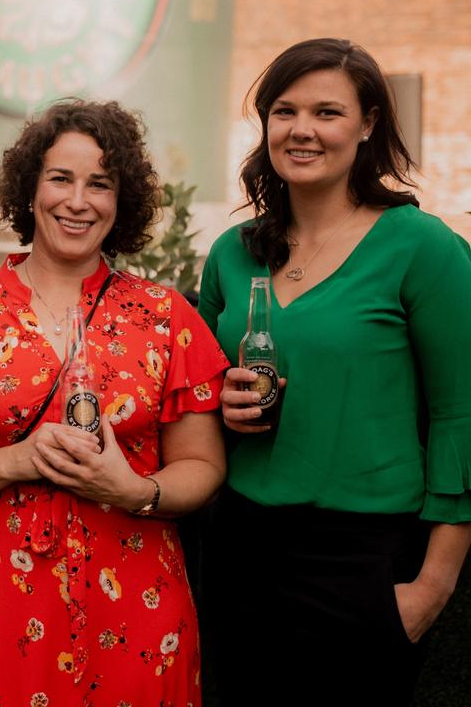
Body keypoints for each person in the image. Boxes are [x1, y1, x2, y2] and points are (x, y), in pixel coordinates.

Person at [0, 100, 229, 705]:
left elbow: (203, 466)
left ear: (120, 203)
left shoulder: (165, 317)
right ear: (29, 190)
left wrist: (133, 491)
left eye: (99, 184)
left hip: (138, 604)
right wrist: (19, 460)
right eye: (60, 179)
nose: (78, 201)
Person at [198, 37, 471, 706]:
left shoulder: (422, 247)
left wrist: (433, 586)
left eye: (327, 112)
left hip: (366, 558)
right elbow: (193, 396)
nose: (302, 130)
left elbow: (459, 415)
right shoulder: (233, 254)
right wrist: (219, 403)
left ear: (369, 123)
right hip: (238, 548)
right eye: (284, 111)